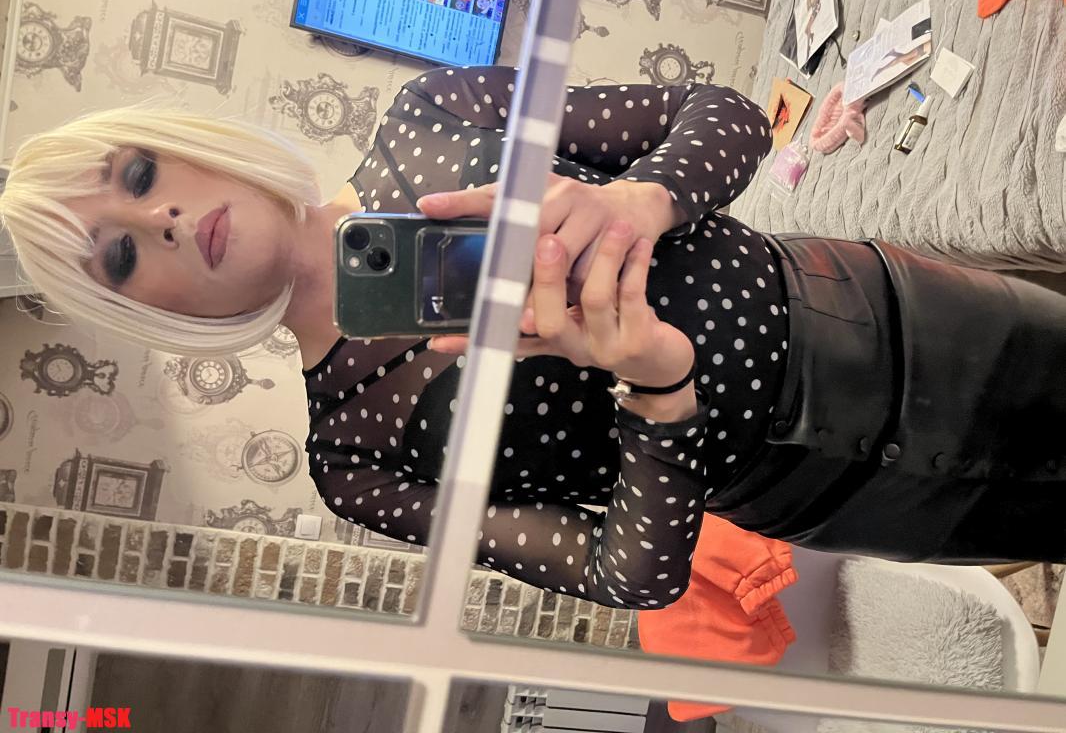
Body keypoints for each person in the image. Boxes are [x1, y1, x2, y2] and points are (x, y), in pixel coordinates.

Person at [2, 66, 1065, 613]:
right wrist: (657, 394)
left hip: (883, 308)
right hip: (840, 485)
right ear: (145, 309)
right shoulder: (354, 458)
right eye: (120, 254)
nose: (161, 218)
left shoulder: (430, 118)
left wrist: (644, 199)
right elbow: (627, 575)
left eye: (139, 175)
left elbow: (727, 112)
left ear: (185, 147)